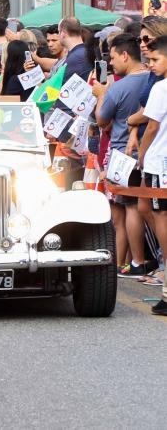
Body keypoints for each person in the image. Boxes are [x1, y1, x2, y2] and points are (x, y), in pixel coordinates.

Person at [94, 32, 150, 277]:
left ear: (125, 55)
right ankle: (128, 262)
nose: (112, 63)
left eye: (114, 57)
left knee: (125, 212)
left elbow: (101, 118)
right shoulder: (154, 79)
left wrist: (101, 95)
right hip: (144, 153)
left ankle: (129, 262)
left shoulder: (118, 87)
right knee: (136, 208)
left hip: (121, 154)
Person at [136, 35, 167, 316]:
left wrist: (142, 156)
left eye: (156, 59)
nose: (151, 64)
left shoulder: (160, 88)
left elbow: (152, 127)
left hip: (160, 163)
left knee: (163, 220)